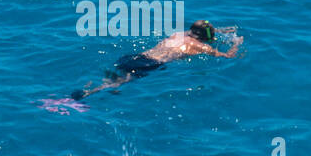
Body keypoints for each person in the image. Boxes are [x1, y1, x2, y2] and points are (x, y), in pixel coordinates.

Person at [70, 20, 241, 100]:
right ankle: (86, 95)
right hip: (150, 64)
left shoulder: (178, 34)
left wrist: (219, 31)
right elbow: (228, 56)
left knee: (112, 74)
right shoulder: (201, 47)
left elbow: (198, 32)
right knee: (117, 82)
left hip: (136, 56)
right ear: (206, 38)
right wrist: (236, 43)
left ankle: (86, 86)